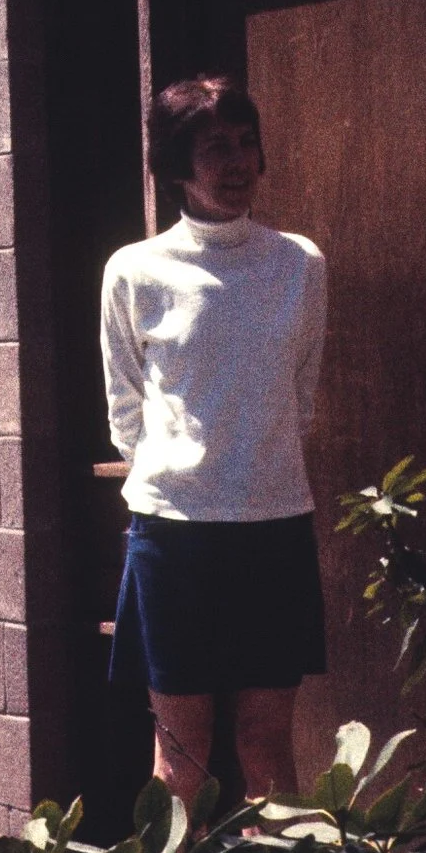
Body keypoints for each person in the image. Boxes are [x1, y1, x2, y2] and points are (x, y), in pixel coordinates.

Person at [101, 74, 327, 802]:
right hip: (175, 536)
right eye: (211, 148)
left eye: (245, 142)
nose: (234, 162)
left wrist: (251, 469)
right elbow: (124, 409)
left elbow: (300, 392)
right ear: (173, 167)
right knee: (181, 754)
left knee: (267, 745)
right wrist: (188, 477)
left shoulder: (299, 263)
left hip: (274, 528)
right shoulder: (135, 271)